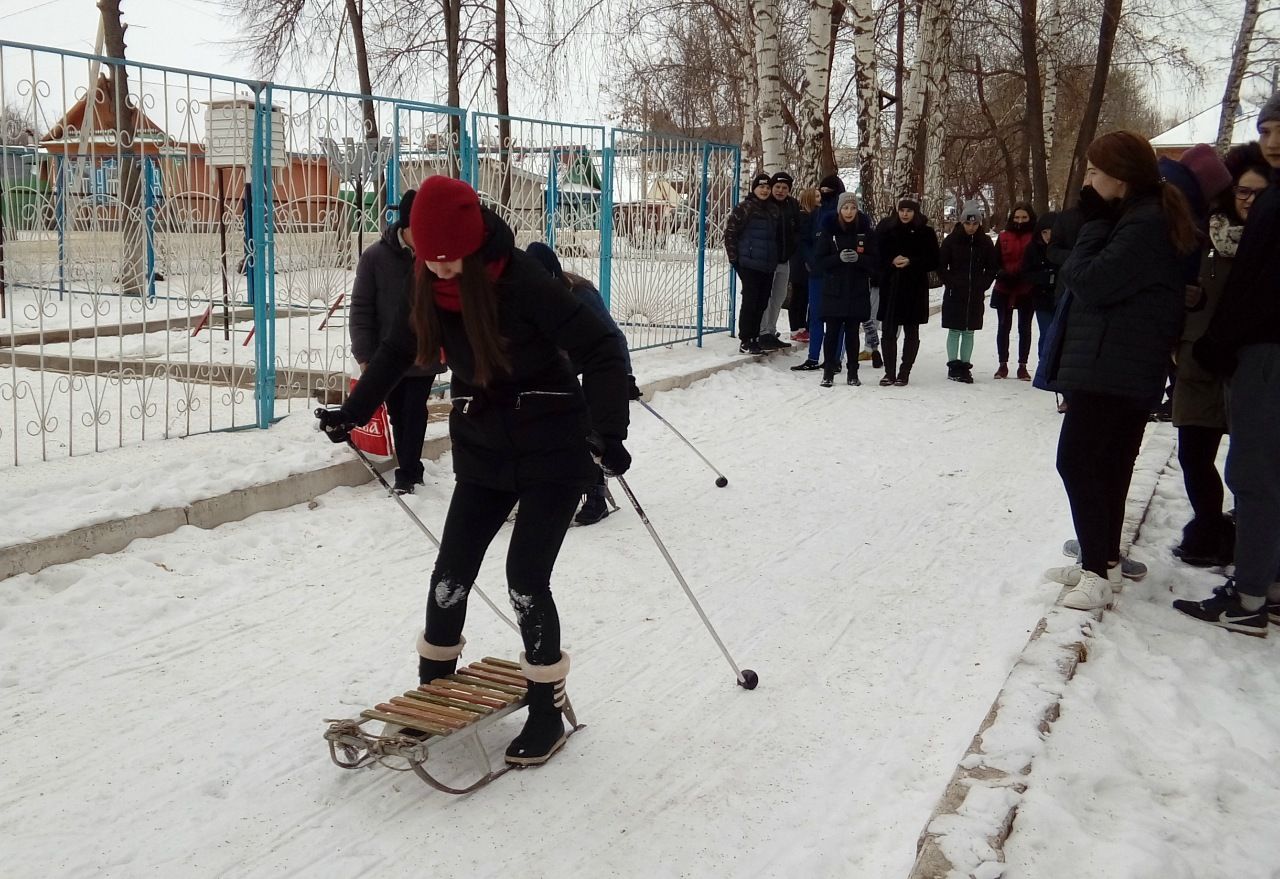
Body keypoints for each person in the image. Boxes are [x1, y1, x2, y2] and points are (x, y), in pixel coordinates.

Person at [316, 176, 631, 765]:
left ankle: (544, 712)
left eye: (447, 260)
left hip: (552, 448)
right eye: (427, 260)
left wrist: (607, 432)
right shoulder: (428, 283)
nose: (437, 271)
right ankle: (431, 697)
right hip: (484, 447)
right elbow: (394, 352)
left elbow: (602, 349)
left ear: (470, 242)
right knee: (450, 573)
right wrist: (352, 412)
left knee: (525, 578)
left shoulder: (525, 283)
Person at [1036, 130, 1195, 611]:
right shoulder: (1138, 216)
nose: (1088, 179)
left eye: (1094, 171)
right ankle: (1101, 560)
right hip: (1117, 363)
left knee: (1079, 461)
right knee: (1106, 465)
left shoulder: (1142, 223)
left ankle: (1096, 570)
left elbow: (1087, 281)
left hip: (1114, 366)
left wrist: (1093, 224)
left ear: (1120, 179)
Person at [1177, 91, 1280, 636]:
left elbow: (1257, 291)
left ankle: (1248, 598)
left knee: (1253, 476)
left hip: (1261, 353)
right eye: (1266, 131)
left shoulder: (1275, 206)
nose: (1273, 142)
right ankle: (1269, 584)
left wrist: (1221, 338)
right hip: (1242, 352)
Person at [1170, 144, 1270, 567]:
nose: (1249, 201)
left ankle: (1253, 537)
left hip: (1250, 364)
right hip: (1197, 361)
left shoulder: (1270, 240)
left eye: (1259, 194)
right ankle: (1209, 529)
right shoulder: (1203, 234)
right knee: (1194, 453)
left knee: (1252, 464)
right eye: (1243, 192)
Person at [525, 241, 640, 526]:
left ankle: (595, 495)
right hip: (554, 367)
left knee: (590, 428)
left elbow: (612, 338)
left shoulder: (581, 293)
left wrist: (624, 377)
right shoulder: (524, 294)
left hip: (592, 363)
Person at [349, 188, 443, 494]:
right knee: (397, 412)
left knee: (415, 411)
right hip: (387, 355)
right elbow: (361, 309)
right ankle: (409, 465)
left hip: (424, 354)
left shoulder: (436, 259)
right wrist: (365, 355)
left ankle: (409, 471)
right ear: (406, 226)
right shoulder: (375, 258)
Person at [813, 192, 878, 387]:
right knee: (831, 332)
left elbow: (875, 261)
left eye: (852, 208)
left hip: (857, 289)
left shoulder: (865, 232)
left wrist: (859, 259)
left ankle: (853, 372)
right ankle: (828, 372)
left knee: (852, 333)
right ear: (839, 209)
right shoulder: (829, 231)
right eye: (845, 208)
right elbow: (819, 261)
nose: (849, 212)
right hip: (834, 289)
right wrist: (837, 258)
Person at [875, 197, 939, 386]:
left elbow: (934, 260)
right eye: (902, 210)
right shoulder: (886, 229)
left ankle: (905, 371)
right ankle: (889, 372)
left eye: (909, 211)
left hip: (914, 287)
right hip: (891, 285)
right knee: (888, 330)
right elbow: (876, 254)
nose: (905, 214)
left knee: (912, 330)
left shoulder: (925, 233)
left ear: (915, 213)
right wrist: (891, 261)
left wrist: (912, 261)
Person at [938, 200, 998, 384]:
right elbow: (941, 266)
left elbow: (992, 267)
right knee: (955, 330)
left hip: (975, 294)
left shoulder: (986, 242)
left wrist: (983, 284)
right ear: (962, 222)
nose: (971, 227)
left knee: (969, 331)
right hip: (955, 293)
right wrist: (951, 282)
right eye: (968, 223)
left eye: (975, 223)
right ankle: (953, 365)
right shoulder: (952, 240)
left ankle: (965, 365)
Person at [792, 174, 846, 372]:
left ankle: (834, 359)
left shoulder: (845, 213)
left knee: (837, 318)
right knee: (815, 316)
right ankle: (813, 357)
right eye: (822, 190)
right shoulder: (816, 214)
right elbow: (805, 239)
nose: (824, 193)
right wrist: (810, 261)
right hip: (817, 272)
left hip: (838, 274)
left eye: (828, 190)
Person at [724, 173, 781, 355]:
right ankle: (746, 339)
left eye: (767, 187)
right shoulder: (744, 208)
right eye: (761, 187)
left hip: (767, 264)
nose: (764, 190)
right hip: (748, 264)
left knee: (762, 302)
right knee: (750, 301)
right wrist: (735, 259)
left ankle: (756, 337)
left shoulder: (773, 210)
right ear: (754, 188)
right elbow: (730, 234)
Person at [991, 203, 1037, 380]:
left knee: (1024, 328)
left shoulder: (1034, 237)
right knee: (1003, 326)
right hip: (1004, 286)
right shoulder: (1003, 236)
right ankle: (1002, 364)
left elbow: (1036, 260)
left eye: (1024, 218)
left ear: (1030, 218)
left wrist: (1025, 275)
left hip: (1026, 288)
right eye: (1017, 217)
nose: (1020, 221)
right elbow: (995, 261)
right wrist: (1001, 273)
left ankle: (1022, 366)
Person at [758, 172, 799, 351]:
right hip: (768, 259)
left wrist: (792, 248)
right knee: (765, 297)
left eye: (784, 188)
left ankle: (772, 330)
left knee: (779, 297)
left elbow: (798, 229)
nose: (781, 191)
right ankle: (762, 332)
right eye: (778, 187)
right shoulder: (765, 205)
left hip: (785, 259)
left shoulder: (792, 205)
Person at [1023, 212, 1058, 363]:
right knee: (1046, 332)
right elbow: (1026, 273)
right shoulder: (1033, 248)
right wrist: (1045, 277)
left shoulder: (1064, 247)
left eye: (1051, 232)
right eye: (1044, 232)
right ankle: (1044, 365)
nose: (1048, 236)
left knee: (1058, 333)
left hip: (1059, 297)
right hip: (1041, 297)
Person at [788, 187, 820, 342]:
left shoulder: (814, 216)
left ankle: (804, 327)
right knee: (798, 296)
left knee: (805, 296)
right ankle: (796, 328)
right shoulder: (802, 216)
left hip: (807, 261)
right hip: (799, 261)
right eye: (817, 196)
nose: (820, 199)